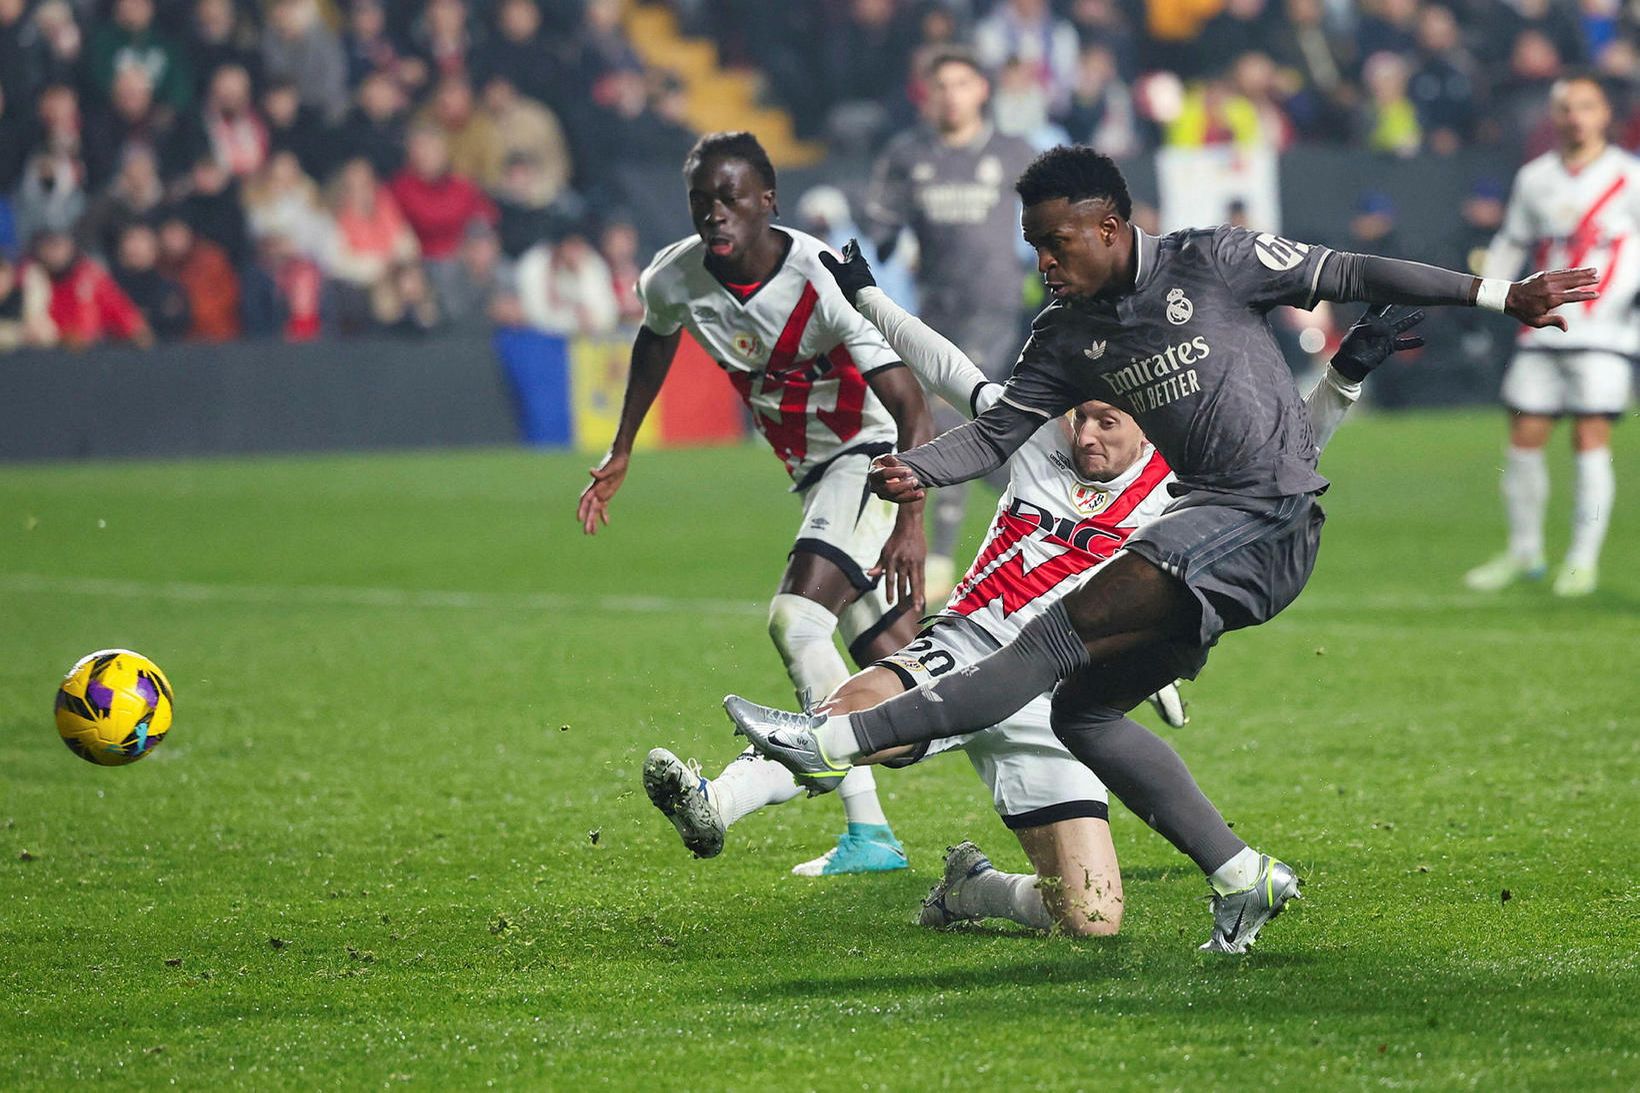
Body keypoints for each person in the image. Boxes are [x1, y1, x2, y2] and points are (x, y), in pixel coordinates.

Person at [726, 145, 1596, 951]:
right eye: (1033, 245)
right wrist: (916, 466)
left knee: (1046, 644)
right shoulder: (1066, 337)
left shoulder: (1211, 261)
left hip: (1265, 516)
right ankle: (1241, 873)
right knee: (1082, 711)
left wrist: (1498, 293)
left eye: (1056, 242)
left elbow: (1351, 269)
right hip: (1221, 533)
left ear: (1111, 226)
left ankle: (832, 744)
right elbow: (991, 434)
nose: (1045, 263)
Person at [646, 242, 1413, 935]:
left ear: (1147, 420)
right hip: (968, 648)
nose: (1084, 436)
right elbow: (950, 371)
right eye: (1080, 416)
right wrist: (872, 301)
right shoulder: (1037, 440)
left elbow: (1292, 450)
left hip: (1058, 697)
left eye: (1105, 422)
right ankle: (716, 800)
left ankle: (970, 890)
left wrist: (1345, 374)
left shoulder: (1185, 484)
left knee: (1091, 915)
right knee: (866, 717)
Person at [580, 131, 934, 877]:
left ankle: (844, 817)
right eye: (701, 201)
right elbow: (655, 340)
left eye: (731, 197)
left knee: (795, 618)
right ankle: (1057, 645)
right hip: (815, 475)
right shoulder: (674, 277)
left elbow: (912, 408)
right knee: (914, 682)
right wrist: (622, 447)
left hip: (869, 459)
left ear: (767, 201)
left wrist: (910, 519)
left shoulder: (823, 279)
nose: (715, 213)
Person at [864, 48, 1037, 599]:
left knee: (952, 419)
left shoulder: (1014, 154)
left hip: (995, 307)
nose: (951, 94)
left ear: (981, 90)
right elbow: (883, 231)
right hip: (934, 313)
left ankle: (938, 557)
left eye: (962, 83)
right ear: (927, 94)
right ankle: (1047, 514)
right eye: (941, 85)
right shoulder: (907, 156)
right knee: (988, 454)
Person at [1463, 74, 1639, 598]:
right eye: (1565, 108)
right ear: (1553, 116)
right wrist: (1488, 292)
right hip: (1543, 327)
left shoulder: (1629, 176)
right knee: (1524, 437)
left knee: (1590, 438)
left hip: (1606, 331)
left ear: (1605, 113)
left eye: (1586, 106)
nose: (1575, 117)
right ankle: (1525, 552)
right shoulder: (1536, 177)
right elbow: (1513, 240)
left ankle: (1581, 563)